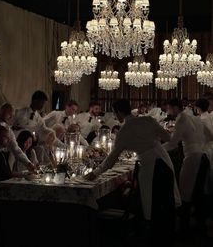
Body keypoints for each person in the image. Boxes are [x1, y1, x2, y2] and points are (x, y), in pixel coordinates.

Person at [86, 99, 180, 241]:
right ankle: (168, 236)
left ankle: (155, 237)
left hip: (150, 166)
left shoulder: (124, 131)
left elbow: (111, 159)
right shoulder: (148, 120)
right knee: (166, 202)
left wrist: (95, 173)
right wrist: (153, 139)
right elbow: (167, 137)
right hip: (164, 161)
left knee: (153, 204)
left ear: (118, 113)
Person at [163, 98, 209, 236]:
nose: (167, 111)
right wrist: (197, 141)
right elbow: (210, 136)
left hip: (193, 158)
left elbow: (172, 144)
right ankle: (201, 227)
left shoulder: (181, 119)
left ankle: (184, 230)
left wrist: (156, 149)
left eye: (169, 108)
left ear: (175, 108)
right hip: (204, 156)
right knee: (198, 194)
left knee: (185, 194)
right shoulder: (194, 117)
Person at [0, 103, 35, 172]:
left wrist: (28, 163)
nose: (10, 117)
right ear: (1, 111)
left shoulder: (8, 132)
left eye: (12, 115)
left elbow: (16, 149)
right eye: (8, 113)